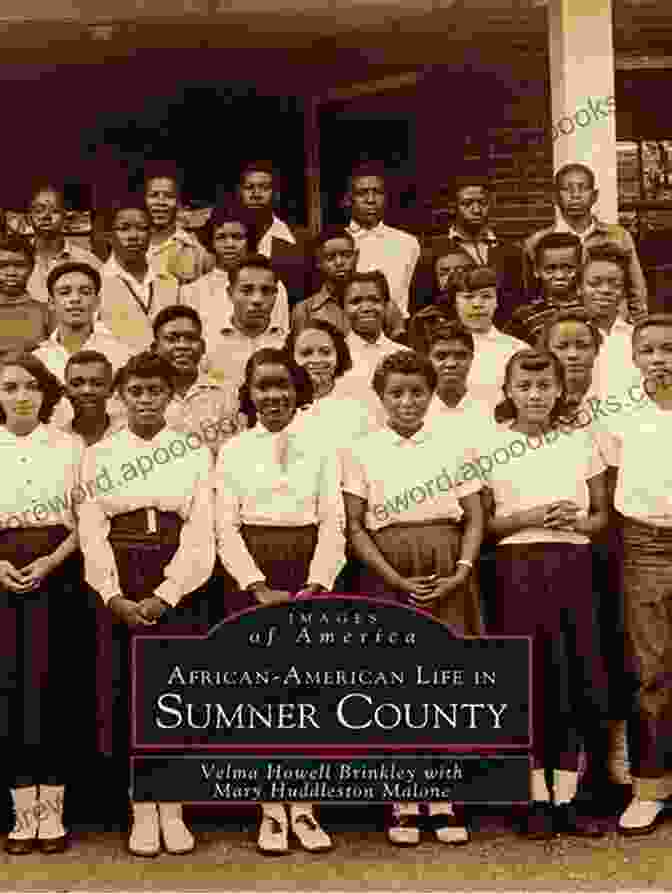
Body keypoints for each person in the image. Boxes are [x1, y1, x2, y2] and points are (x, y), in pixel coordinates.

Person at [341, 349, 483, 846]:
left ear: (430, 393)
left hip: (446, 565)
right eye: (396, 393)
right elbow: (355, 526)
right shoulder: (360, 449)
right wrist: (394, 578)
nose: (407, 401)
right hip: (388, 567)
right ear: (380, 397)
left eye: (417, 392)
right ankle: (402, 800)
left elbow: (474, 516)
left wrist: (461, 570)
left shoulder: (454, 444)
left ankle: (442, 798)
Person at [78, 351, 215, 857]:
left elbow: (202, 529)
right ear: (121, 397)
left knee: (172, 693)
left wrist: (168, 592)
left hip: (173, 573)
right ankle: (141, 806)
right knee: (129, 692)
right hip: (121, 570)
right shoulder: (100, 456)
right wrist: (112, 593)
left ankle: (173, 805)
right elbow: (91, 531)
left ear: (168, 396)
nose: (145, 400)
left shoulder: (193, 452)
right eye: (135, 391)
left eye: (154, 390)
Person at [214, 348, 345, 855]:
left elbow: (334, 519)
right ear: (249, 394)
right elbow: (225, 524)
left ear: (297, 391)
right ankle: (270, 808)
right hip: (254, 573)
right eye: (262, 387)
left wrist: (317, 582)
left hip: (308, 566)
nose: (272, 396)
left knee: (307, 694)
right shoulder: (233, 451)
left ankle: (306, 807)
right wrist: (255, 585)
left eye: (282, 386)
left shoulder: (322, 447)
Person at [483, 349, 610, 839]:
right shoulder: (489, 444)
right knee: (528, 678)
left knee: (572, 675)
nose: (535, 395)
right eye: (525, 386)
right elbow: (486, 523)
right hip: (517, 569)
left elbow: (600, 515)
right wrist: (532, 517)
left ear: (559, 390)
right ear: (510, 391)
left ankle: (567, 798)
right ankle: (533, 798)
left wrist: (576, 521)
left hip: (572, 566)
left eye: (544, 386)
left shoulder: (580, 442)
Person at [0, 352, 83, 854]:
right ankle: (21, 811)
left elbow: (84, 517)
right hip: (3, 569)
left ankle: (52, 812)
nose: (21, 396)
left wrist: (52, 561)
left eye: (30, 386)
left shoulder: (69, 445)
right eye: (9, 387)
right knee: (9, 688)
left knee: (55, 687)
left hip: (58, 567)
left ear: (45, 392)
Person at [598, 315, 672, 834]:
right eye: (648, 350)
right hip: (646, 543)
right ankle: (651, 788)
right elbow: (609, 479)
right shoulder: (617, 413)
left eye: (669, 349)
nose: (660, 358)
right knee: (652, 671)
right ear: (634, 358)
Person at [523, 163, 647, 322]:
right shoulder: (536, 242)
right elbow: (530, 293)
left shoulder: (619, 237)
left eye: (583, 188)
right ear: (554, 197)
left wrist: (637, 323)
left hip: (611, 322)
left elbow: (636, 289)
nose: (576, 195)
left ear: (594, 195)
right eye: (567, 189)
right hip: (559, 325)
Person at [33, 261, 131, 427]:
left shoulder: (122, 355)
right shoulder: (37, 360)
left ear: (97, 301)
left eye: (85, 292)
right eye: (65, 292)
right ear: (50, 302)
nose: (75, 299)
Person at [182, 201, 290, 338]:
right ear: (211, 242)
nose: (230, 244)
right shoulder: (192, 292)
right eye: (221, 237)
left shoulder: (272, 287)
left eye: (237, 237)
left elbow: (280, 335)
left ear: (249, 240)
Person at [152, 305, 240, 454]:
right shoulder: (143, 396)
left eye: (191, 338)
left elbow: (233, 452)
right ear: (154, 348)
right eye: (172, 339)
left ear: (203, 347)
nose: (183, 346)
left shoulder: (227, 394)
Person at [291, 227, 405, 340]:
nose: (339, 262)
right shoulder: (305, 310)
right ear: (318, 262)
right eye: (330, 258)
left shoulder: (384, 305)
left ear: (356, 256)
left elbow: (400, 352)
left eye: (346, 255)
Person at [98, 199, 180, 352]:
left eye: (142, 228)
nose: (133, 236)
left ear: (151, 234)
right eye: (124, 228)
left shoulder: (170, 282)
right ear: (109, 235)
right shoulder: (97, 284)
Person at [441, 177, 524, 323]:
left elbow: (521, 301)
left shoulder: (511, 252)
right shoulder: (435, 252)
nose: (476, 209)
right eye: (467, 204)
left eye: (482, 203)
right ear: (454, 206)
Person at [345, 163, 421, 322]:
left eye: (377, 192)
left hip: (398, 329)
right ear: (349, 199)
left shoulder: (407, 243)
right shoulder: (339, 242)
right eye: (362, 193)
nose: (370, 200)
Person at [201, 254, 286, 394]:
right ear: (230, 293)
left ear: (276, 294)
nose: (257, 299)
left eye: (266, 291)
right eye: (247, 290)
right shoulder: (208, 344)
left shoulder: (288, 344)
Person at [286, 319, 378, 442]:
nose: (317, 359)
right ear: (291, 357)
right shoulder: (283, 400)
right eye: (306, 353)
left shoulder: (361, 400)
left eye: (325, 352)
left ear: (339, 355)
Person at [448, 266, 528, 408]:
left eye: (486, 296)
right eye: (468, 297)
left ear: (497, 301)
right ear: (455, 303)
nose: (477, 304)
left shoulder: (517, 349)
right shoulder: (440, 349)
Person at [338, 272, 409, 426]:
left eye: (374, 300)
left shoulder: (405, 355)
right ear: (342, 308)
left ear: (386, 305)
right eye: (356, 301)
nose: (366, 308)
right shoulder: (334, 356)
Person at [237, 160, 307, 308]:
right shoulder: (227, 238)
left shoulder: (300, 240)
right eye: (249, 188)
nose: (256, 194)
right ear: (239, 193)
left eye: (264, 188)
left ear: (276, 194)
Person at [503, 232, 585, 346]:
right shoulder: (525, 317)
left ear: (581, 268)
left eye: (568, 268)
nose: (560, 275)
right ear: (536, 270)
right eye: (550, 269)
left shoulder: (592, 310)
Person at [581, 247, 640, 399]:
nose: (605, 290)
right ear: (579, 289)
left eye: (615, 284)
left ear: (624, 291)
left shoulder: (637, 337)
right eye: (594, 283)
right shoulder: (568, 338)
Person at [26, 184, 101, 305]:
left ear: (65, 218)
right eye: (39, 210)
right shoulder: (18, 260)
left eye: (55, 211)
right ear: (29, 218)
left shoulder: (88, 261)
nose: (46, 216)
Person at [144, 166, 213, 286]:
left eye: (169, 196)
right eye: (154, 195)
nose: (161, 202)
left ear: (179, 204)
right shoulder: (126, 243)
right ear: (144, 200)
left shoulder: (195, 250)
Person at [0, 236, 51, 360]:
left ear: (31, 268)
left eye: (19, 265)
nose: (11, 273)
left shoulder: (46, 313)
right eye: (2, 266)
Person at [62, 350, 127, 446]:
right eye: (76, 384)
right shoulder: (56, 439)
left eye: (97, 383)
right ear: (66, 391)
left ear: (111, 390)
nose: (87, 391)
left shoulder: (128, 432)